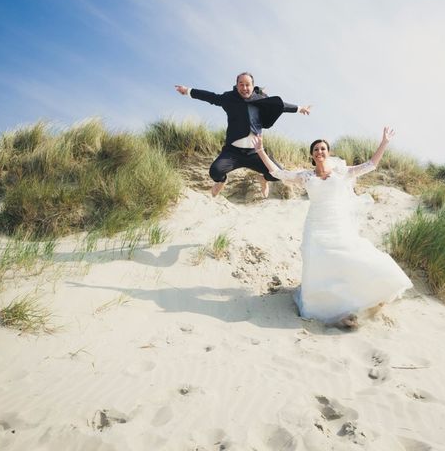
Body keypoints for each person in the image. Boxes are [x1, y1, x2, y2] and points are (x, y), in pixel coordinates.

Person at [254, 127, 413, 329]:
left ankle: (360, 299)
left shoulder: (342, 172)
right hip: (315, 224)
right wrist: (260, 151)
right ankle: (328, 310)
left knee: (347, 256)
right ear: (312, 155)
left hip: (337, 223)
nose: (320, 152)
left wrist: (384, 142)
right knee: (318, 261)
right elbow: (278, 172)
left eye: (323, 148)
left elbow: (371, 165)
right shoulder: (305, 176)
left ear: (328, 152)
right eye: (316, 150)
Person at [175, 72, 311, 198]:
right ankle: (222, 182)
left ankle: (263, 179)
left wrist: (299, 108)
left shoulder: (260, 100)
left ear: (252, 86)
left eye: (248, 85)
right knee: (215, 172)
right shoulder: (229, 98)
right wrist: (188, 91)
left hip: (255, 152)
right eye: (241, 84)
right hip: (232, 153)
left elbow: (281, 106)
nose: (245, 88)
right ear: (237, 85)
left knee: (277, 175)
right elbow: (211, 97)